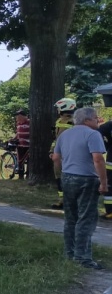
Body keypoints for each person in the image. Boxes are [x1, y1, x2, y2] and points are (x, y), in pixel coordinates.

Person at [51, 107, 107, 269]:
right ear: (87, 120)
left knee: (71, 218)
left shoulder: (64, 134)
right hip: (87, 179)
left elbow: (55, 158)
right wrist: (103, 182)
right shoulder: (93, 134)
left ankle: (69, 253)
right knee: (86, 218)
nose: (98, 120)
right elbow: (98, 159)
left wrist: (63, 173)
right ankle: (83, 258)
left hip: (68, 177)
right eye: (96, 118)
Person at [50, 98, 77, 209]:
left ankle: (70, 201)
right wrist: (52, 150)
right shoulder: (59, 121)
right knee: (59, 177)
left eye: (58, 108)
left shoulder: (74, 121)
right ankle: (62, 200)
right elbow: (56, 139)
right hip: (58, 154)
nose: (57, 110)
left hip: (69, 154)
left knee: (69, 177)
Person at [99, 117, 112, 219]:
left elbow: (99, 132)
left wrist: (106, 145)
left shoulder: (108, 125)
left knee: (110, 186)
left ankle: (110, 211)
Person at [14, 109, 31, 179]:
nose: (17, 118)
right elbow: (18, 133)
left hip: (28, 145)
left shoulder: (29, 122)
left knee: (29, 161)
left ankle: (28, 175)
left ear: (24, 116)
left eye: (19, 117)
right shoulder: (18, 123)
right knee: (20, 161)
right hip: (20, 145)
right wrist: (14, 138)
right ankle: (20, 176)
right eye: (17, 117)